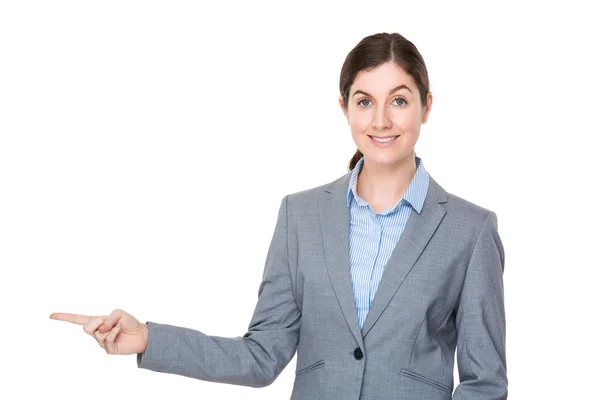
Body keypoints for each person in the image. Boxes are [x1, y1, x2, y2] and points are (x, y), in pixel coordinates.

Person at [50, 32, 507, 400]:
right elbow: (261, 355)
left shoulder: (470, 230)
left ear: (427, 107)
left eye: (400, 100)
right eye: (365, 101)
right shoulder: (301, 216)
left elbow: (485, 383)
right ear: (344, 108)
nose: (381, 120)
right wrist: (149, 339)